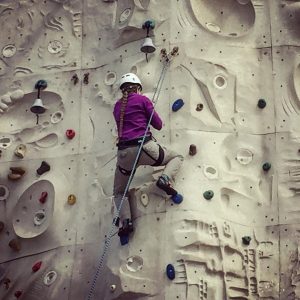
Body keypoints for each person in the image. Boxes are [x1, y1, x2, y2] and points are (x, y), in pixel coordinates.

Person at [113, 73, 183, 239]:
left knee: (119, 192)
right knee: (176, 157)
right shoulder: (142, 100)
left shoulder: (117, 107)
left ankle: (126, 222)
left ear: (122, 89)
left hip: (124, 154)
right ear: (137, 87)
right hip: (145, 148)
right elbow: (158, 124)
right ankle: (164, 179)